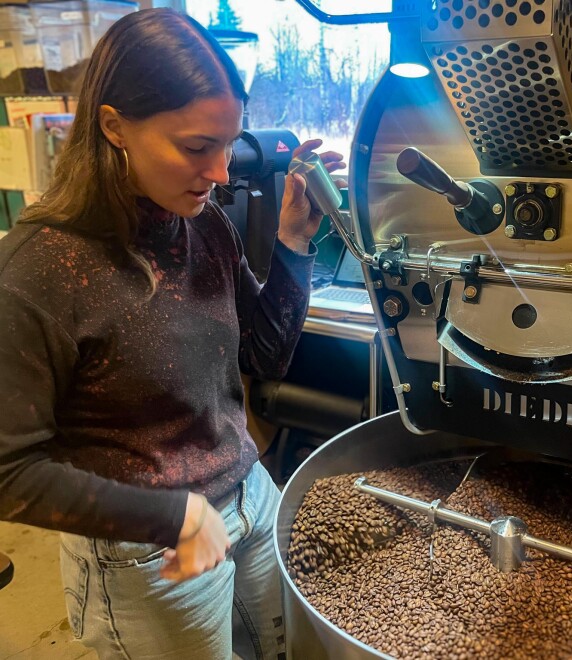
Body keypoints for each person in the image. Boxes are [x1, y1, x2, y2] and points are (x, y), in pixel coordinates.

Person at [0, 8, 344, 659]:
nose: (220, 173)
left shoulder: (203, 224)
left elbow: (265, 356)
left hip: (249, 499)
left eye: (227, 144)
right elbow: (9, 472)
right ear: (114, 127)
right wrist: (172, 516)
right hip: (149, 544)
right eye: (195, 148)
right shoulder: (40, 268)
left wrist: (294, 242)